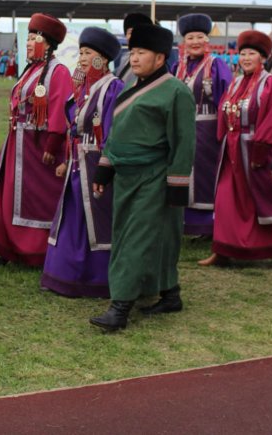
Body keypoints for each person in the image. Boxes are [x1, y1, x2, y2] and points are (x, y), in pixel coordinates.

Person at [89, 24, 195, 331]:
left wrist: (177, 184)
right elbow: (117, 133)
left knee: (136, 239)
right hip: (126, 176)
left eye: (141, 53)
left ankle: (120, 307)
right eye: (132, 52)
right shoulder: (129, 86)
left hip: (155, 176)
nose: (133, 59)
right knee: (139, 235)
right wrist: (105, 168)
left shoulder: (176, 92)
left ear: (160, 58)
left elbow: (184, 142)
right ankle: (170, 294)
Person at [0, 13, 72, 267]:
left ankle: (37, 250)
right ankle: (8, 247)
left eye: (33, 38)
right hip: (17, 145)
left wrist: (53, 143)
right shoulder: (32, 69)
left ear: (47, 43)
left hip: (39, 149)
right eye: (27, 38)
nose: (28, 43)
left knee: (36, 199)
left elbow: (61, 108)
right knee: (8, 194)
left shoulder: (57, 72)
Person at [200, 30, 272, 267]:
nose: (245, 58)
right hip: (231, 152)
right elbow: (224, 112)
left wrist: (261, 149)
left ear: (262, 58)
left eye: (251, 53)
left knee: (268, 199)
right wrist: (221, 138)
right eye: (242, 53)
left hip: (256, 150)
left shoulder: (269, 83)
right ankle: (222, 249)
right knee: (225, 199)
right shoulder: (235, 83)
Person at [42, 27, 124, 298]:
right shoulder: (81, 89)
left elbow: (112, 131)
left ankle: (97, 278)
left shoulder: (113, 88)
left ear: (104, 58)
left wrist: (105, 164)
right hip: (77, 164)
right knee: (72, 218)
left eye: (89, 53)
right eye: (81, 53)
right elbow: (73, 128)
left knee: (97, 220)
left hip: (96, 164)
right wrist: (66, 158)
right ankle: (65, 276)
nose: (83, 58)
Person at [171, 13, 232, 237]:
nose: (195, 42)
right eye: (190, 37)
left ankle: (209, 226)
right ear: (183, 42)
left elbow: (226, 100)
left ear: (207, 40)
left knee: (206, 176)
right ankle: (184, 223)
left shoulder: (217, 66)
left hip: (208, 129)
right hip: (181, 130)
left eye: (199, 37)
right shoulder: (177, 66)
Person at [114, 12, 153, 88]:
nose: (133, 37)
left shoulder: (150, 59)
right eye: (130, 33)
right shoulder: (125, 57)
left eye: (137, 32)